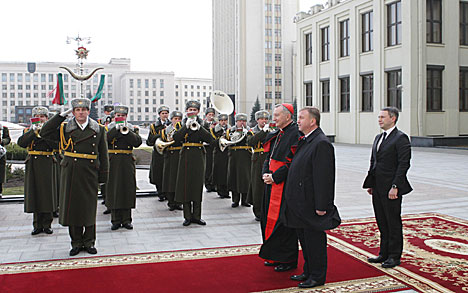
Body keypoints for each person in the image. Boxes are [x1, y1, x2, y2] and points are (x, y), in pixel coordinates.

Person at [40, 98, 109, 256]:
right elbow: (44, 132)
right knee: (73, 208)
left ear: (88, 111)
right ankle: (76, 242)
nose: (81, 113)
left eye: (84, 110)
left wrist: (103, 175)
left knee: (89, 208)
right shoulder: (65, 128)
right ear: (73, 112)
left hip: (90, 171)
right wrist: (60, 116)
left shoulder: (98, 129)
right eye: (77, 110)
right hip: (71, 171)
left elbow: (103, 154)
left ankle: (89, 241)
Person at [283, 107, 341, 288]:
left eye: (301, 118)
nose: (297, 120)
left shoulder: (321, 143)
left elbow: (324, 177)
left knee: (315, 241)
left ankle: (317, 276)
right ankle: (308, 270)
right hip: (300, 203)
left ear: (312, 121)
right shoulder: (307, 140)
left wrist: (322, 205)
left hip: (312, 204)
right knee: (305, 240)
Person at [363, 107, 412, 269]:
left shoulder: (401, 138)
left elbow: (403, 164)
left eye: (383, 117)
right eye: (379, 117)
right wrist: (370, 183)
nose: (379, 120)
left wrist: (395, 186)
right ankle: (383, 253)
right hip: (377, 187)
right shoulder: (378, 137)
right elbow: (374, 162)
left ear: (393, 118)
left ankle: (394, 256)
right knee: (381, 221)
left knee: (393, 222)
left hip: (392, 188)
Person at [260, 104, 299, 272]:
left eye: (276, 115)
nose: (273, 118)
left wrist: (275, 176)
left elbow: (292, 161)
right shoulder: (278, 134)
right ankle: (273, 255)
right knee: (268, 219)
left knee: (284, 223)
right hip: (271, 182)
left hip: (284, 184)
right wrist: (265, 173)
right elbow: (269, 157)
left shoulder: (295, 134)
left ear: (288, 117)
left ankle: (288, 259)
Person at [17, 106, 58, 235]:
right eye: (37, 117)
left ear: (47, 119)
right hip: (33, 163)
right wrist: (33, 132)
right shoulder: (28, 130)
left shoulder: (52, 131)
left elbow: (57, 145)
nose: (40, 119)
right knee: (35, 193)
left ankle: (47, 224)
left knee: (47, 193)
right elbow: (21, 143)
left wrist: (44, 132)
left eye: (42, 117)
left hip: (47, 162)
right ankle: (37, 224)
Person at [173, 100, 214, 226]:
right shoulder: (181, 124)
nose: (192, 112)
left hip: (198, 155)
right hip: (185, 155)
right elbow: (176, 139)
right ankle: (187, 216)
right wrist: (187, 127)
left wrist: (198, 127)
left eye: (194, 110)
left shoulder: (203, 124)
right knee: (186, 186)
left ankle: (197, 216)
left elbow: (210, 140)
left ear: (198, 112)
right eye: (190, 110)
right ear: (186, 111)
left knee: (196, 186)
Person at [106, 105, 142, 230]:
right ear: (114, 117)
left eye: (122, 116)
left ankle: (127, 219)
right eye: (117, 116)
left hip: (127, 160)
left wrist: (127, 132)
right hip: (113, 161)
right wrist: (116, 129)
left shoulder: (131, 128)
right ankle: (115, 220)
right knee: (114, 188)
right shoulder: (109, 128)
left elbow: (137, 142)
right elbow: (105, 141)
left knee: (127, 188)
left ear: (126, 117)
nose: (120, 117)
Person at [247, 110, 270, 221]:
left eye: (266, 119)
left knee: (267, 184)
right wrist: (262, 132)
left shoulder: (270, 131)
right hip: (257, 159)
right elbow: (250, 142)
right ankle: (258, 211)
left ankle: (267, 210)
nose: (264, 121)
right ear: (257, 120)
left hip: (267, 157)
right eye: (262, 119)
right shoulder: (252, 131)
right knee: (257, 185)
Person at [226, 113, 252, 208]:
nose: (242, 123)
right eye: (240, 121)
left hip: (245, 156)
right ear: (236, 122)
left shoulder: (249, 131)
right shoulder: (230, 131)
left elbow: (252, 141)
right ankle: (235, 200)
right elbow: (226, 140)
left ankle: (245, 200)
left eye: (244, 121)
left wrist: (247, 133)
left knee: (245, 178)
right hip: (234, 156)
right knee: (234, 177)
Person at [161, 110, 183, 211]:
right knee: (170, 180)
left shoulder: (183, 129)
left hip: (180, 156)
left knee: (179, 179)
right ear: (171, 119)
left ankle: (179, 202)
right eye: (175, 119)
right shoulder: (165, 130)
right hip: (170, 155)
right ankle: (171, 202)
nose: (177, 121)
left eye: (179, 119)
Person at [147, 105, 170, 201]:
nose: (165, 115)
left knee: (168, 174)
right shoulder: (154, 126)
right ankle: (160, 193)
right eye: (163, 113)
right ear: (159, 115)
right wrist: (161, 133)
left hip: (168, 152)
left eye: (166, 113)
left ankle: (168, 194)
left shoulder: (172, 124)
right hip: (158, 153)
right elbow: (149, 141)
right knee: (158, 173)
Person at [210, 114, 231, 199]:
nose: (223, 122)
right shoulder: (214, 130)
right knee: (219, 172)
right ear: (219, 121)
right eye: (222, 120)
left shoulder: (230, 130)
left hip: (227, 153)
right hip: (218, 153)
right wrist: (220, 139)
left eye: (225, 120)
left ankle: (226, 191)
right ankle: (220, 190)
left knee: (227, 172)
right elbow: (212, 142)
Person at [202, 107, 216, 192]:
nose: (211, 116)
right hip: (206, 147)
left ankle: (213, 183)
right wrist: (209, 128)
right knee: (208, 166)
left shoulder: (215, 124)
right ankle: (208, 184)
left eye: (212, 115)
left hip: (213, 147)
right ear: (206, 115)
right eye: (209, 115)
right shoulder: (204, 124)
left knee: (213, 166)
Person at [0, 123, 11, 198]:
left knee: (0, 174)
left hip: (1, 154)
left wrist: (2, 141)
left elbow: (8, 139)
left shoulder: (4, 128)